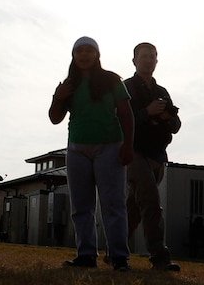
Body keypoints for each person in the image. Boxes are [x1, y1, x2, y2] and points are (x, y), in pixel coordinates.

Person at [49, 37, 135, 270]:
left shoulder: (111, 80)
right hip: (77, 149)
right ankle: (86, 255)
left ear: (97, 55)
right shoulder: (70, 83)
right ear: (73, 55)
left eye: (89, 50)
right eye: (79, 51)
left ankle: (119, 258)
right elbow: (55, 118)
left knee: (113, 205)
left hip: (110, 147)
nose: (84, 54)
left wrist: (128, 146)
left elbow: (127, 114)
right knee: (81, 206)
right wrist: (58, 96)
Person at [125, 42, 182, 271]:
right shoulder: (126, 87)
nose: (149, 59)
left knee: (135, 209)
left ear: (157, 61)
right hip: (134, 153)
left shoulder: (162, 92)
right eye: (144, 56)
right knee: (151, 202)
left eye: (153, 56)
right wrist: (146, 112)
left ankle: (114, 250)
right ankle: (159, 257)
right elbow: (120, 121)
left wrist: (167, 116)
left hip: (157, 156)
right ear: (135, 60)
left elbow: (176, 126)